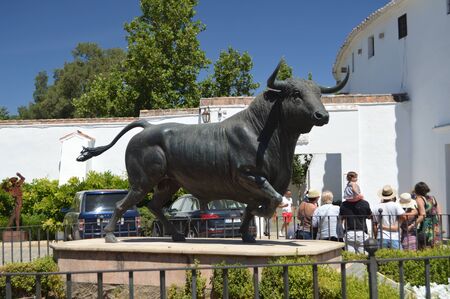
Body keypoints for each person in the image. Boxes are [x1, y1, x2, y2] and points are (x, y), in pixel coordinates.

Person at [339, 185, 372, 253]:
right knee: (363, 256)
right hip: (362, 231)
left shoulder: (344, 205)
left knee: (350, 258)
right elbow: (369, 216)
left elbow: (341, 218)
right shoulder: (365, 203)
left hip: (349, 232)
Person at [372, 185, 405, 249]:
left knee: (381, 257)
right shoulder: (396, 205)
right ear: (392, 195)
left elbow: (374, 225)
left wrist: (376, 237)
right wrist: (398, 223)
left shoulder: (375, 207)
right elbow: (404, 216)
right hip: (394, 236)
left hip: (381, 236)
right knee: (399, 257)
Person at [414, 182, 442, 248]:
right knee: (435, 247)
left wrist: (414, 224)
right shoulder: (433, 198)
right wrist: (439, 226)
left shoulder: (419, 199)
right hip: (435, 226)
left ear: (416, 190)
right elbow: (440, 214)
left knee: (423, 248)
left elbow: (422, 214)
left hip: (424, 226)